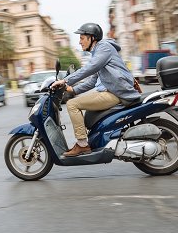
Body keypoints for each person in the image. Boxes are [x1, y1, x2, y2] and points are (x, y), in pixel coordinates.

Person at [51, 23, 140, 157]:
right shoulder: (98, 52)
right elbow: (93, 80)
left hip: (116, 93)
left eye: (82, 38)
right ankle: (94, 142)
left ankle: (82, 145)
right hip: (111, 91)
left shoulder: (104, 48)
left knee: (72, 104)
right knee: (87, 115)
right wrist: (72, 90)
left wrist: (65, 80)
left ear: (92, 38)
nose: (79, 42)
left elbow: (90, 68)